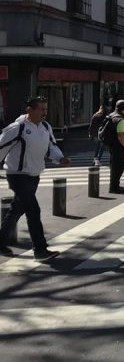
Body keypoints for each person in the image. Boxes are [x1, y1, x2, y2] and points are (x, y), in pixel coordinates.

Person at [0, 96, 69, 261]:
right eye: (41, 109)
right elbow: (1, 146)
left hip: (34, 175)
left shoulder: (45, 126)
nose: (44, 113)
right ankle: (40, 250)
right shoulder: (18, 127)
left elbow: (51, 146)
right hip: (18, 175)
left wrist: (60, 158)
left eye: (46, 109)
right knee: (33, 210)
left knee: (16, 210)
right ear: (29, 110)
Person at [105, 100, 124, 194]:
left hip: (111, 145)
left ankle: (114, 185)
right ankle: (114, 187)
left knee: (114, 166)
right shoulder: (121, 120)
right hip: (118, 146)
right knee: (119, 167)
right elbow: (120, 135)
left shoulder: (111, 115)